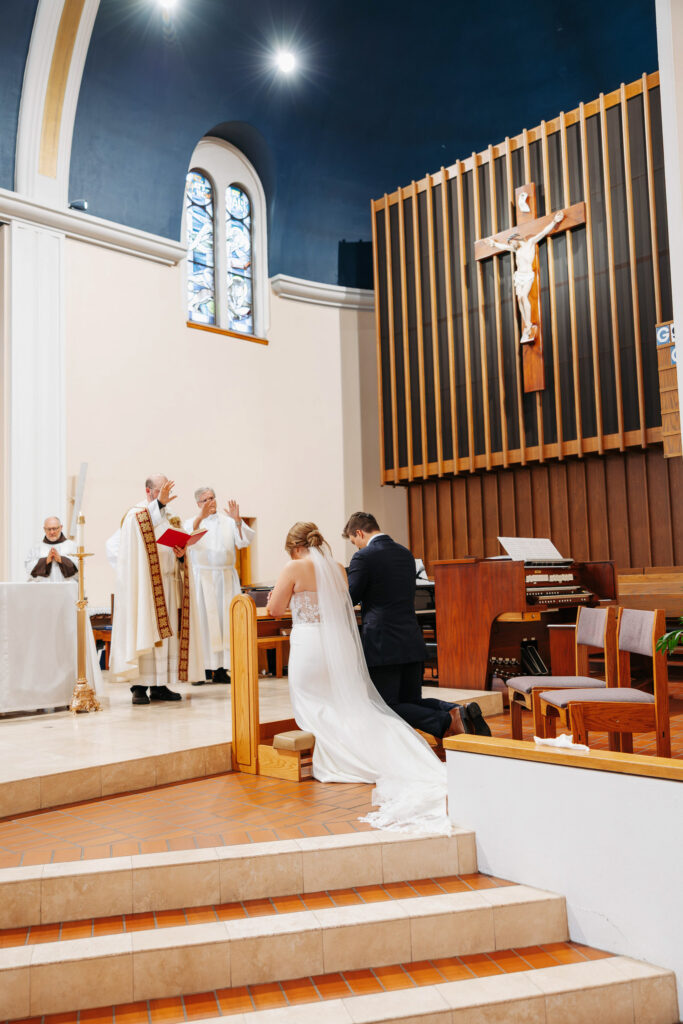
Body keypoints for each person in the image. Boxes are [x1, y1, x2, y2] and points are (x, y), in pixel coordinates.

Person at [267, 522, 453, 834]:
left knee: (315, 704)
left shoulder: (293, 567)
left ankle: (352, 752)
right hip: (337, 646)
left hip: (309, 645)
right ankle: (398, 749)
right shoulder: (338, 568)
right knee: (346, 704)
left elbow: (274, 610)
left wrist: (276, 594)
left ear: (295, 547)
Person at [343, 511, 490, 741]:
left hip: (382, 642)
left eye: (355, 543)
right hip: (410, 637)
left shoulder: (364, 557)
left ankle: (447, 720)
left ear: (359, 533)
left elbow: (350, 597)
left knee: (385, 705)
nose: (357, 548)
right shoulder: (405, 554)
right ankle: (456, 709)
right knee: (411, 701)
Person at [107, 475, 203, 704]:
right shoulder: (136, 513)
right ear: (149, 491)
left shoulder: (170, 517)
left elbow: (172, 545)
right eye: (161, 490)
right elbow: (137, 530)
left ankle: (160, 684)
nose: (165, 495)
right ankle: (139, 687)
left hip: (168, 584)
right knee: (145, 630)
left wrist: (180, 555)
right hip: (145, 588)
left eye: (167, 490)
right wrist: (159, 504)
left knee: (168, 637)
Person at [26, 515, 103, 695]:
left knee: (69, 641)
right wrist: (44, 561)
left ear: (61, 527)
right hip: (44, 604)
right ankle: (46, 688)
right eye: (48, 529)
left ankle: (72, 684)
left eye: (55, 528)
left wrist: (62, 560)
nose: (52, 532)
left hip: (67, 604)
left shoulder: (71, 547)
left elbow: (79, 571)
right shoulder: (36, 548)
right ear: (44, 529)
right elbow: (29, 572)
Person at [183, 488, 254, 684]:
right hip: (202, 578)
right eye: (205, 500)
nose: (210, 502)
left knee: (225, 623)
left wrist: (238, 520)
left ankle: (222, 668)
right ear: (198, 503)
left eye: (212, 498)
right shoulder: (192, 521)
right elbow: (185, 540)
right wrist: (200, 517)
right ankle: (200, 670)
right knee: (202, 624)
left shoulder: (228, 521)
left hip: (226, 578)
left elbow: (243, 542)